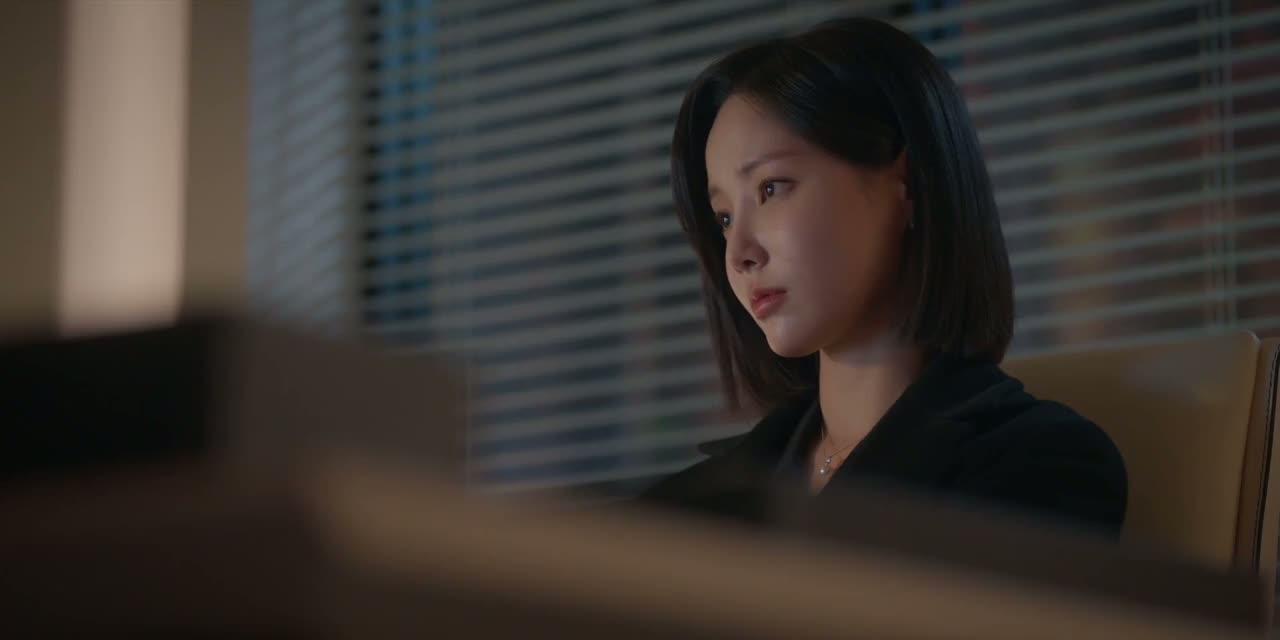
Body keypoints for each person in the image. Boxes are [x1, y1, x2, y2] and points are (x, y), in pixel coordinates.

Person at [638, 17, 1127, 533]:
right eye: (724, 218)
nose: (738, 253)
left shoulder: (1037, 465)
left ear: (905, 184)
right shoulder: (689, 508)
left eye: (771, 188)